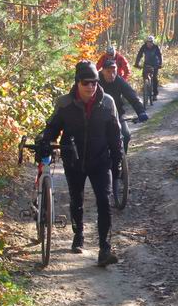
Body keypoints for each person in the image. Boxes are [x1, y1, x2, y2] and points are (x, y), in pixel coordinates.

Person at [35, 61, 123, 267]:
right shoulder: (65, 103)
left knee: (104, 200)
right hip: (73, 160)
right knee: (77, 199)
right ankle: (79, 234)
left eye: (94, 82)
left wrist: (117, 161)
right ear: (77, 83)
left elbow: (115, 136)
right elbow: (53, 128)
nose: (91, 86)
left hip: (101, 160)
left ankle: (104, 248)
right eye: (86, 82)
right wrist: (45, 141)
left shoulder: (107, 103)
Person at [98, 58, 148, 153]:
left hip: (117, 114)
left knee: (126, 135)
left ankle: (121, 157)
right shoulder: (95, 81)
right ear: (103, 71)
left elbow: (132, 96)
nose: (112, 75)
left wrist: (141, 111)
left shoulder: (119, 81)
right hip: (98, 115)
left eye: (114, 71)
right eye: (108, 71)